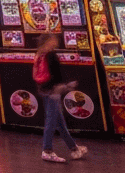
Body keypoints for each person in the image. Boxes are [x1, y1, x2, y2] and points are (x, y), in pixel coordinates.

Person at [34, 33, 87, 163]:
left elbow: (38, 74)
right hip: (53, 91)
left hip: (45, 90)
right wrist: (65, 86)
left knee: (60, 123)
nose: (56, 41)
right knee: (51, 122)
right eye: (54, 39)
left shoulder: (39, 54)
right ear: (49, 41)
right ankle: (47, 151)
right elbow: (56, 74)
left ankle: (74, 149)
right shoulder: (51, 54)